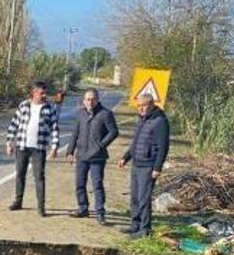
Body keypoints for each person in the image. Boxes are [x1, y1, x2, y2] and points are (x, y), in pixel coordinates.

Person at [118, 93, 170, 238]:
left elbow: (163, 147)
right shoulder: (142, 119)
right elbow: (136, 142)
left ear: (151, 104)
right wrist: (125, 157)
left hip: (148, 166)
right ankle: (135, 225)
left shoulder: (160, 121)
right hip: (136, 164)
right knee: (134, 198)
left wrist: (157, 168)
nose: (140, 108)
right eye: (139, 106)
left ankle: (145, 229)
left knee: (143, 198)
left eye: (144, 105)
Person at [5, 81, 60, 217]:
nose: (44, 95)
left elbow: (54, 128)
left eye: (45, 93)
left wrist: (54, 146)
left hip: (39, 147)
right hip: (22, 145)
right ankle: (18, 202)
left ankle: (41, 207)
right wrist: (9, 142)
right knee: (20, 174)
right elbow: (14, 124)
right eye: (41, 93)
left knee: (39, 177)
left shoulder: (49, 108)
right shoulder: (24, 105)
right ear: (34, 93)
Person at [66, 88, 119, 224]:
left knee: (97, 184)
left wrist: (101, 145)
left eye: (93, 99)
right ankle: (83, 208)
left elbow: (113, 132)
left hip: (97, 156)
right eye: (87, 99)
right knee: (80, 183)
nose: (90, 102)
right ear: (84, 101)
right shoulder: (80, 114)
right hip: (81, 155)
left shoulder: (105, 114)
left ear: (97, 100)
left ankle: (100, 212)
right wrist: (70, 151)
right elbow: (75, 133)